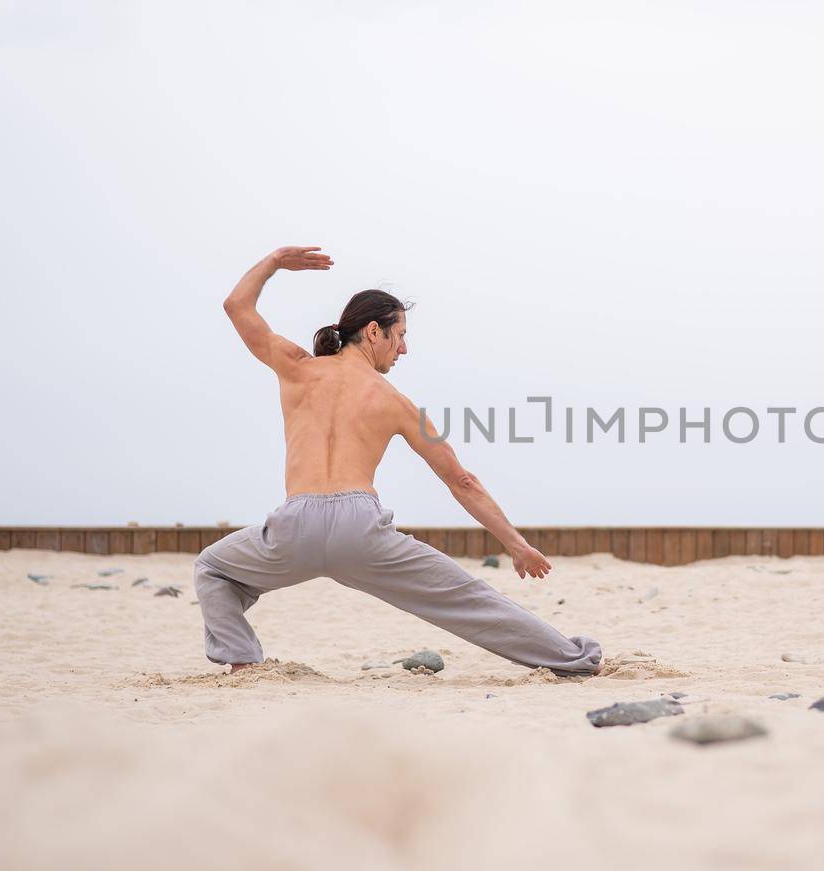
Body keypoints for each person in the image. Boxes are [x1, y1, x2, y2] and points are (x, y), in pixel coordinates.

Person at [192, 245, 603, 676]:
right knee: (466, 599)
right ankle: (575, 660)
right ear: (374, 332)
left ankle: (242, 664)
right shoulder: (398, 403)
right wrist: (516, 546)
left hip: (294, 528)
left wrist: (275, 261)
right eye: (400, 334)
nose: (403, 348)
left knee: (213, 568)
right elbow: (461, 480)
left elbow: (236, 305)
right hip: (361, 530)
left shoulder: (297, 368)